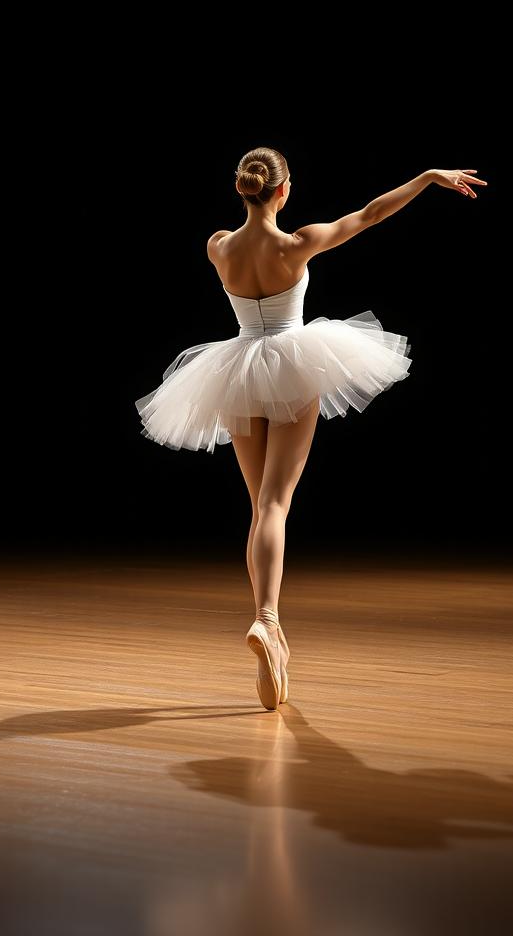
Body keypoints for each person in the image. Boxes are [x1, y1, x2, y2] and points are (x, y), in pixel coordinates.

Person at [134, 147, 487, 711]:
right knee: (277, 505)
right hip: (295, 364)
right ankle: (268, 622)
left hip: (236, 369)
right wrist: (424, 176)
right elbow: (369, 215)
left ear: (243, 190)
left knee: (258, 508)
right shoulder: (297, 244)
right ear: (283, 191)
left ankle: (268, 628)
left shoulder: (218, 246)